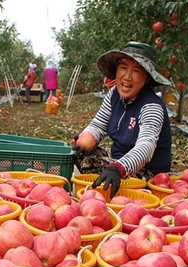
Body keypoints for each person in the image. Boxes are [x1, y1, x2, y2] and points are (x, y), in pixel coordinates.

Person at [72, 41, 172, 198]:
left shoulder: (151, 106)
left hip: (148, 174)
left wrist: (118, 168)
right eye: (124, 68)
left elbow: (146, 147)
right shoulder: (114, 95)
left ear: (146, 78)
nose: (127, 76)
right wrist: (86, 138)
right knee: (81, 153)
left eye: (136, 71)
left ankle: (112, 195)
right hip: (117, 162)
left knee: (100, 168)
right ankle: (102, 193)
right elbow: (99, 125)